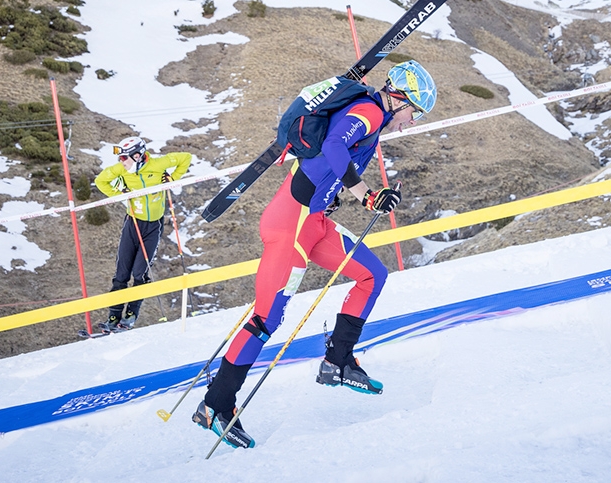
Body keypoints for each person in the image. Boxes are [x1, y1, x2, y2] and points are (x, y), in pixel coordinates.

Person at [192, 60, 437, 449]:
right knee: (264, 320)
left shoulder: (373, 124)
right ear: (399, 99)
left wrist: (336, 196)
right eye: (415, 112)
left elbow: (325, 167)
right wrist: (367, 195)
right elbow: (333, 145)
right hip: (290, 227)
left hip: (315, 223)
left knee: (373, 275)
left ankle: (337, 361)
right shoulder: (370, 112)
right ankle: (215, 406)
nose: (413, 121)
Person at [94, 136, 192, 332]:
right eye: (120, 158)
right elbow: (100, 181)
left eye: (124, 158)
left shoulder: (158, 164)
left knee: (140, 273)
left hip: (153, 227)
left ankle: (130, 316)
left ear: (138, 155)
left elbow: (186, 157)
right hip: (132, 224)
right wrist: (120, 193)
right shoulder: (121, 170)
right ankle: (113, 317)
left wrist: (173, 178)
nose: (121, 162)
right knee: (121, 273)